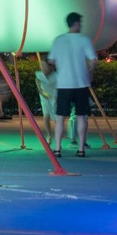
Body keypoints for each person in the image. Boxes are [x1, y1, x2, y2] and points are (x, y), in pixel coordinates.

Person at [45, 12, 97, 156]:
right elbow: (93, 61)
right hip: (81, 83)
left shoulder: (58, 40)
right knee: (82, 116)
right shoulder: (84, 40)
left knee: (60, 117)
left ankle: (57, 148)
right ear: (77, 23)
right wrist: (87, 72)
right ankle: (81, 149)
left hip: (63, 84)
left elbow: (51, 61)